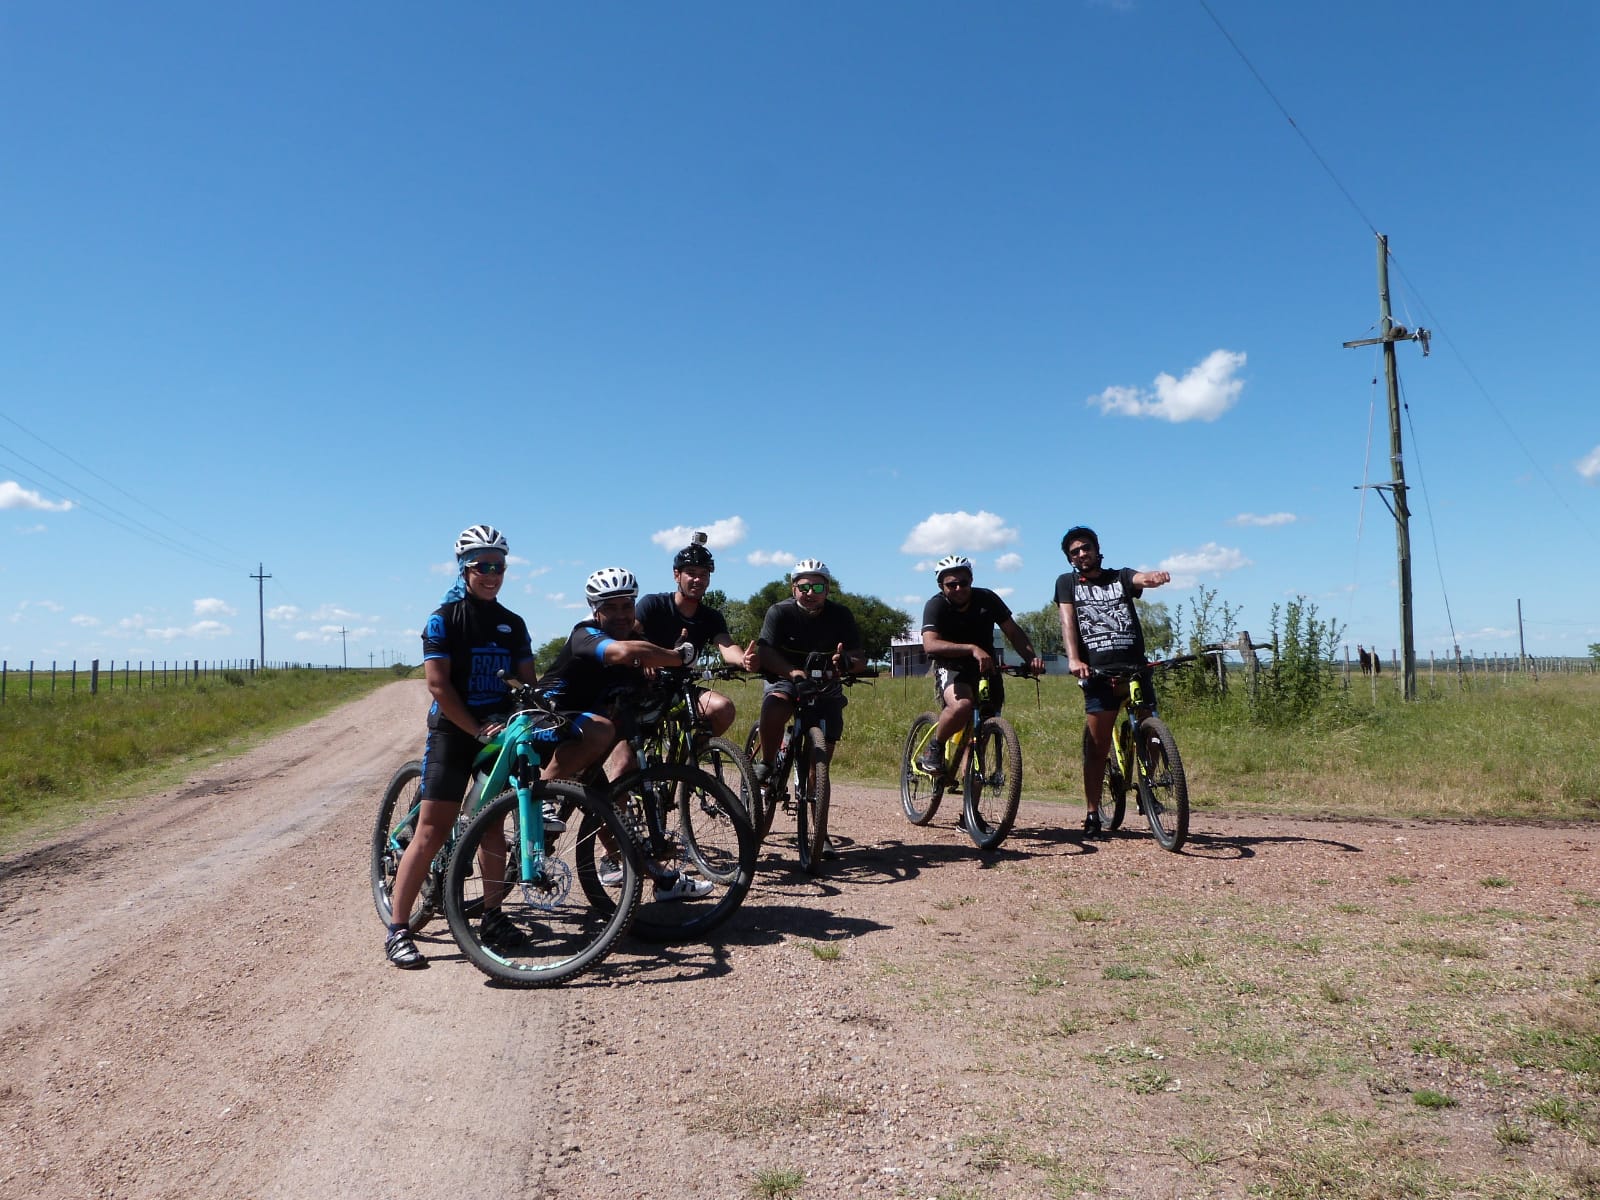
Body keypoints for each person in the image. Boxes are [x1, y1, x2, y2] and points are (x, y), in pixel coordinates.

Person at [385, 524, 540, 970]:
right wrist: (474, 728)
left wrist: (533, 711)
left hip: (496, 731)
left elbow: (526, 681)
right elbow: (437, 685)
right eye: (484, 566)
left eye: (500, 566)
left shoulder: (514, 623)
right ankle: (398, 929)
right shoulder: (444, 618)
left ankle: (492, 915)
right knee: (432, 830)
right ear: (465, 568)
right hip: (455, 731)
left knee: (491, 826)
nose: (493, 574)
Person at [533, 565, 713, 901]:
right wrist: (675, 656)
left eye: (627, 605)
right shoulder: (585, 634)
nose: (620, 614)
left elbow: (645, 660)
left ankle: (663, 881)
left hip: (586, 738)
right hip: (549, 724)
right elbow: (622, 653)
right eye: (610, 607)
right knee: (603, 753)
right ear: (594, 609)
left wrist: (660, 666)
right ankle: (543, 799)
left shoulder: (638, 638)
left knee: (615, 813)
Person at [1054, 526, 1171, 838]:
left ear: (1097, 549)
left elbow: (1140, 578)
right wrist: (1074, 659)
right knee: (1097, 747)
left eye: (1086, 548)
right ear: (1070, 558)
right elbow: (1068, 621)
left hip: (1134, 666)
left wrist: (1154, 577)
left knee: (1154, 733)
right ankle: (1093, 812)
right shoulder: (1067, 583)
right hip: (1097, 673)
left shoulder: (1118, 576)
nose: (1082, 554)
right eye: (1075, 551)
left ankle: (1148, 790)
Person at [916, 555, 1044, 775]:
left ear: (971, 580)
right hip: (951, 666)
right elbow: (930, 644)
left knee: (979, 742)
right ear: (941, 586)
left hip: (986, 669)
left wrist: (1031, 658)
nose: (958, 588)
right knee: (962, 706)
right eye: (951, 584)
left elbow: (1013, 632)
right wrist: (972, 649)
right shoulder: (936, 605)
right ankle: (934, 747)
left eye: (963, 583)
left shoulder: (987, 599)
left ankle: (971, 809)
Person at [751, 559, 867, 795]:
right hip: (786, 675)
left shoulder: (841, 615)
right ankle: (768, 762)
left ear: (828, 589)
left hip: (825, 680)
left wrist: (848, 663)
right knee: (775, 706)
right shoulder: (779, 612)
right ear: (793, 589)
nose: (810, 593)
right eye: (804, 587)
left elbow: (858, 657)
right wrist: (792, 673)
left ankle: (817, 826)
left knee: (822, 754)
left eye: (817, 587)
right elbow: (765, 651)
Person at [634, 531, 751, 737]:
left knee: (723, 709)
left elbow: (726, 646)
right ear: (676, 575)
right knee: (628, 761)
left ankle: (693, 759)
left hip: (682, 686)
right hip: (644, 687)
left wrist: (743, 659)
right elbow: (626, 635)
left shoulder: (711, 617)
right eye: (691, 572)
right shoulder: (653, 604)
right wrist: (644, 658)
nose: (698, 579)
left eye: (704, 574)